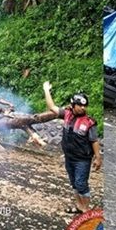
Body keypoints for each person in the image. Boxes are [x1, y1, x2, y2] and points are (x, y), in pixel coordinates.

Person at [43, 81, 102, 213]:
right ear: (73, 105)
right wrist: (46, 89)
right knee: (74, 183)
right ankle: (79, 206)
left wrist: (98, 158)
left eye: (85, 106)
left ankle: (86, 210)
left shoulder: (89, 122)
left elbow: (94, 140)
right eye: (80, 105)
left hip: (82, 159)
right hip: (69, 157)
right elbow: (52, 107)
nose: (83, 108)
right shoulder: (67, 114)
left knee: (81, 184)